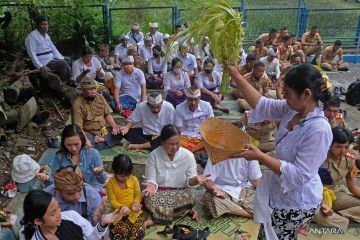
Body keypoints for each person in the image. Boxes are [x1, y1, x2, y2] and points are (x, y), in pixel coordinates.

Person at [227, 63, 333, 239]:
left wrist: (260, 157)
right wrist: (236, 75)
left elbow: (299, 175)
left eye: (288, 93)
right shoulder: (292, 110)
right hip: (280, 193)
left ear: (306, 94)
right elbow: (262, 104)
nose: (284, 97)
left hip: (298, 201)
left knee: (272, 236)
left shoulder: (319, 129)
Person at [143, 124, 210, 225]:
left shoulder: (188, 156)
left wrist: (196, 180)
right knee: (149, 199)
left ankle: (155, 217)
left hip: (180, 193)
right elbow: (151, 179)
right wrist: (151, 186)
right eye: (170, 144)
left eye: (177, 143)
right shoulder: (154, 156)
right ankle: (183, 212)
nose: (174, 147)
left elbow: (190, 182)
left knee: (191, 198)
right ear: (162, 142)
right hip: (159, 193)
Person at [20, 189, 120, 240]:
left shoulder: (71, 216)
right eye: (53, 213)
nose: (59, 214)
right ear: (38, 221)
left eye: (58, 207)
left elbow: (91, 237)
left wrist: (103, 223)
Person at [313, 127, 360, 232]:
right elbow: (308, 187)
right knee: (315, 213)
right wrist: (323, 204)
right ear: (329, 144)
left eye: (346, 147)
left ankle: (337, 216)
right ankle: (341, 220)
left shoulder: (349, 159)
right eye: (338, 146)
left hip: (333, 194)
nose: (343, 151)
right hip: (314, 195)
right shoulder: (319, 157)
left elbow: (353, 187)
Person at [52, 124, 106, 191]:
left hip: (92, 191)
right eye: (69, 145)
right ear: (64, 143)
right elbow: (54, 178)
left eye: (76, 144)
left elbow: (102, 181)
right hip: (69, 193)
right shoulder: (60, 156)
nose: (73, 148)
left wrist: (99, 173)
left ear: (82, 141)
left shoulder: (93, 153)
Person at [72, 79, 122, 150]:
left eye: (94, 88)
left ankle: (103, 140)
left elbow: (107, 114)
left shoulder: (100, 97)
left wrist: (114, 126)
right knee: (83, 142)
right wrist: (86, 140)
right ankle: (107, 141)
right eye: (90, 89)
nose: (94, 92)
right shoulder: (77, 104)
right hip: (89, 133)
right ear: (83, 90)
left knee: (121, 131)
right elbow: (78, 127)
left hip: (104, 130)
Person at [106, 154, 145, 239]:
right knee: (119, 235)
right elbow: (113, 202)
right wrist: (122, 207)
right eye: (122, 176)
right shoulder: (110, 184)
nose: (126, 178)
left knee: (139, 233)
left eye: (128, 175)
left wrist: (135, 203)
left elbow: (138, 194)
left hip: (134, 213)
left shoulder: (134, 179)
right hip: (118, 215)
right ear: (115, 172)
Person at [25, 16, 71, 83]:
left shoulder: (46, 35)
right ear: (37, 25)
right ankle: (65, 83)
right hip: (43, 62)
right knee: (62, 64)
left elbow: (53, 48)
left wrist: (61, 57)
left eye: (46, 24)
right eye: (42, 24)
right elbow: (31, 53)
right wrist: (40, 66)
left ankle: (71, 80)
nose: (45, 26)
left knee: (68, 60)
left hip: (51, 58)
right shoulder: (32, 37)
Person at [175, 87, 214, 152]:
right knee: (178, 145)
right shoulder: (179, 108)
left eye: (195, 99)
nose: (193, 103)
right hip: (186, 136)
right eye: (190, 99)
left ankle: (193, 151)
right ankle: (195, 151)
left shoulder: (207, 106)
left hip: (202, 135)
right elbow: (178, 129)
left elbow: (211, 123)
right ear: (186, 98)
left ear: (199, 98)